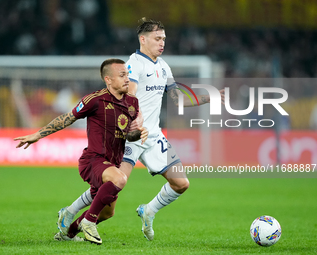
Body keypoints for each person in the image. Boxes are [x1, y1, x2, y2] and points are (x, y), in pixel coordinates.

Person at [57, 18, 225, 241]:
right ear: (143, 39)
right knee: (108, 203)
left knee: (181, 183)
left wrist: (207, 98)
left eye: (164, 38)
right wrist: (136, 116)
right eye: (157, 38)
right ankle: (70, 214)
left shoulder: (164, 66)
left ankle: (149, 210)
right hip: (130, 138)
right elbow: (131, 94)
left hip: (153, 136)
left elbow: (176, 99)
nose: (162, 43)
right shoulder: (134, 64)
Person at [14, 58, 148, 245]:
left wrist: (139, 133)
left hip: (113, 162)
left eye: (127, 74)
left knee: (108, 212)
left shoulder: (132, 102)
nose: (127, 79)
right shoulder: (94, 100)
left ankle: (67, 232)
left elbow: (129, 135)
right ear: (108, 79)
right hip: (93, 160)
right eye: (122, 75)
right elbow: (67, 118)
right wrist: (38, 134)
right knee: (119, 179)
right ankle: (88, 221)